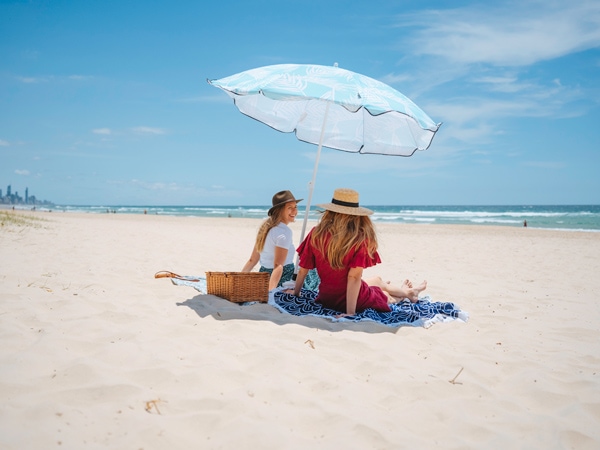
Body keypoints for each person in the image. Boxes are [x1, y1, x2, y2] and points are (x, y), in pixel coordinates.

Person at [288, 188, 427, 316]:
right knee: (386, 297)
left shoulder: (315, 234)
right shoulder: (358, 239)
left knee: (377, 280)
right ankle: (406, 294)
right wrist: (350, 313)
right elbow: (353, 278)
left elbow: (303, 269)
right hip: (350, 302)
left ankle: (409, 292)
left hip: (325, 298)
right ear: (354, 215)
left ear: (331, 211)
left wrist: (296, 293)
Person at [241, 190, 318, 291]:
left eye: (295, 207)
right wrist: (270, 293)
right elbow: (278, 266)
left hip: (264, 276)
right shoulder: (284, 232)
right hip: (283, 276)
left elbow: (252, 260)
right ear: (280, 210)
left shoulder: (264, 228)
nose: (294, 211)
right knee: (314, 274)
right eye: (290, 208)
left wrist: (239, 281)